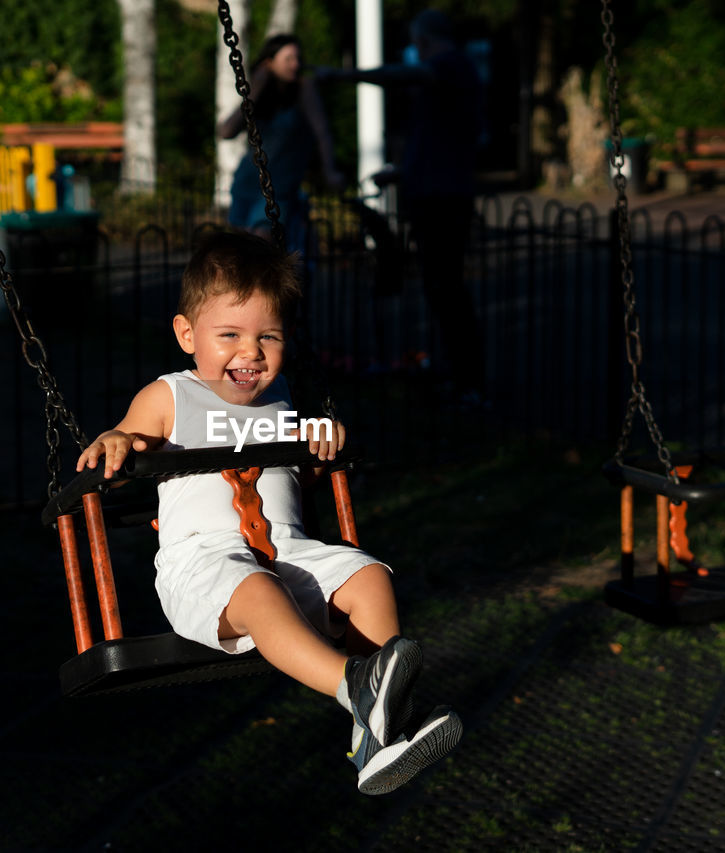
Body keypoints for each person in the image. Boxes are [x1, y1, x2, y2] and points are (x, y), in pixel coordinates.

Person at [75, 230, 461, 795]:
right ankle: (357, 688)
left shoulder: (281, 403)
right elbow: (130, 432)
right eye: (229, 334)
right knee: (258, 590)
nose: (250, 352)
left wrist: (322, 436)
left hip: (290, 554)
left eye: (268, 336)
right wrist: (115, 438)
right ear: (187, 334)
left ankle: (378, 736)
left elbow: (301, 466)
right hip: (207, 567)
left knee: (370, 577)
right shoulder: (171, 395)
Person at [318, 10, 486, 399]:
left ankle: (469, 382)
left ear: (425, 39)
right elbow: (437, 141)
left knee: (447, 287)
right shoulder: (446, 72)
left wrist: (347, 76)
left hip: (444, 199)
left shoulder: (450, 65)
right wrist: (401, 172)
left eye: (416, 42)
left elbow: (408, 76)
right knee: (438, 286)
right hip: (431, 192)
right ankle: (456, 375)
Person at [219, 34, 345, 255]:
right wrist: (255, 90)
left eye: (297, 58)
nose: (295, 65)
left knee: (262, 245)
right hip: (247, 181)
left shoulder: (304, 90)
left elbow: (322, 132)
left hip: (280, 187)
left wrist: (329, 170)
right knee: (238, 252)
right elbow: (226, 131)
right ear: (269, 62)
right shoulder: (261, 94)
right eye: (288, 58)